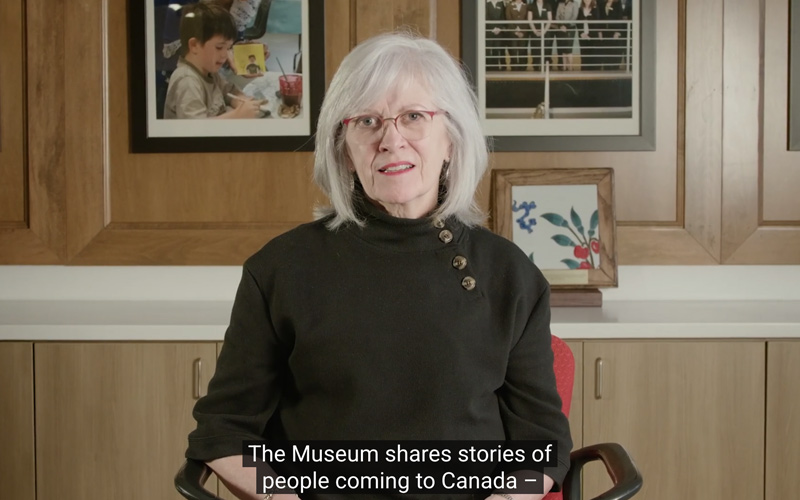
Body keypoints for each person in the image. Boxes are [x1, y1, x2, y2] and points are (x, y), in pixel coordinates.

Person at [184, 31, 572, 500]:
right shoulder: (281, 270)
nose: (391, 140)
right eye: (367, 121)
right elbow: (223, 432)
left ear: (451, 138)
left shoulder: (510, 274)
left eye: (413, 117)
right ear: (345, 149)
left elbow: (543, 445)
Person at [163, 2, 261, 118]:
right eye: (219, 47)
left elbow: (227, 90)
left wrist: (240, 100)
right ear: (194, 45)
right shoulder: (187, 81)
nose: (225, 55)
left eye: (228, 48)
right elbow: (196, 130)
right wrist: (237, 115)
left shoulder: (208, 70)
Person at [553, 0, 580, 71]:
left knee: (568, 48)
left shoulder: (575, 4)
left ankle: (570, 67)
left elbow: (575, 16)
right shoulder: (560, 3)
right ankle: (564, 67)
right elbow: (557, 16)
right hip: (561, 28)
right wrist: (561, 25)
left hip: (570, 28)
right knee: (563, 48)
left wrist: (566, 26)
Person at [576, 0, 601, 71]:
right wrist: (581, 33)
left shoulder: (595, 9)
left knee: (593, 56)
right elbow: (578, 23)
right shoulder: (580, 9)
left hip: (592, 36)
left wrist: (589, 35)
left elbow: (596, 23)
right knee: (584, 56)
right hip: (582, 36)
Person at [506, 0, 530, 71]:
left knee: (522, 49)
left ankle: (523, 67)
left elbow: (528, 19)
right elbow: (508, 18)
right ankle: (514, 67)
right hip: (513, 32)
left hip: (524, 32)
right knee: (513, 49)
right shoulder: (509, 6)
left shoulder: (526, 6)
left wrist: (522, 31)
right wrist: (515, 30)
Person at [486, 0, 508, 71]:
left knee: (496, 49)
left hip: (498, 31)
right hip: (488, 31)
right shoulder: (486, 4)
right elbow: (486, 17)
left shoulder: (501, 4)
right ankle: (488, 67)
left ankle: (495, 67)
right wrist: (493, 28)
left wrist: (499, 28)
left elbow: (503, 17)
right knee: (488, 50)